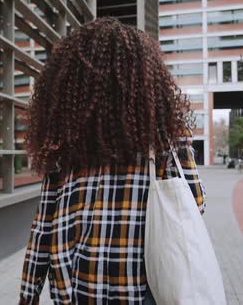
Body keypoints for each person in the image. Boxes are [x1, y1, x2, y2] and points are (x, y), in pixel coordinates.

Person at [19, 18, 207, 305]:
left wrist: (28, 294)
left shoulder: (66, 139)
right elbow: (195, 203)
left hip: (74, 286)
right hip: (143, 286)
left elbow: (43, 224)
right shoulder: (163, 135)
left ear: (71, 79)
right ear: (144, 78)